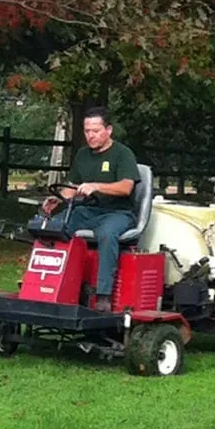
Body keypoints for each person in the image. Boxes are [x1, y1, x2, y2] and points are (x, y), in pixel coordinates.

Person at [37, 107, 140, 312]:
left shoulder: (122, 154)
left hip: (118, 213)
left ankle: (103, 295)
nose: (90, 135)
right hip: (88, 211)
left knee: (107, 234)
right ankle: (46, 284)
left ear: (108, 130)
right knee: (53, 228)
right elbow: (72, 188)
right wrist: (58, 198)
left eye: (96, 131)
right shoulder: (83, 155)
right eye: (87, 131)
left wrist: (96, 186)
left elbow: (126, 187)